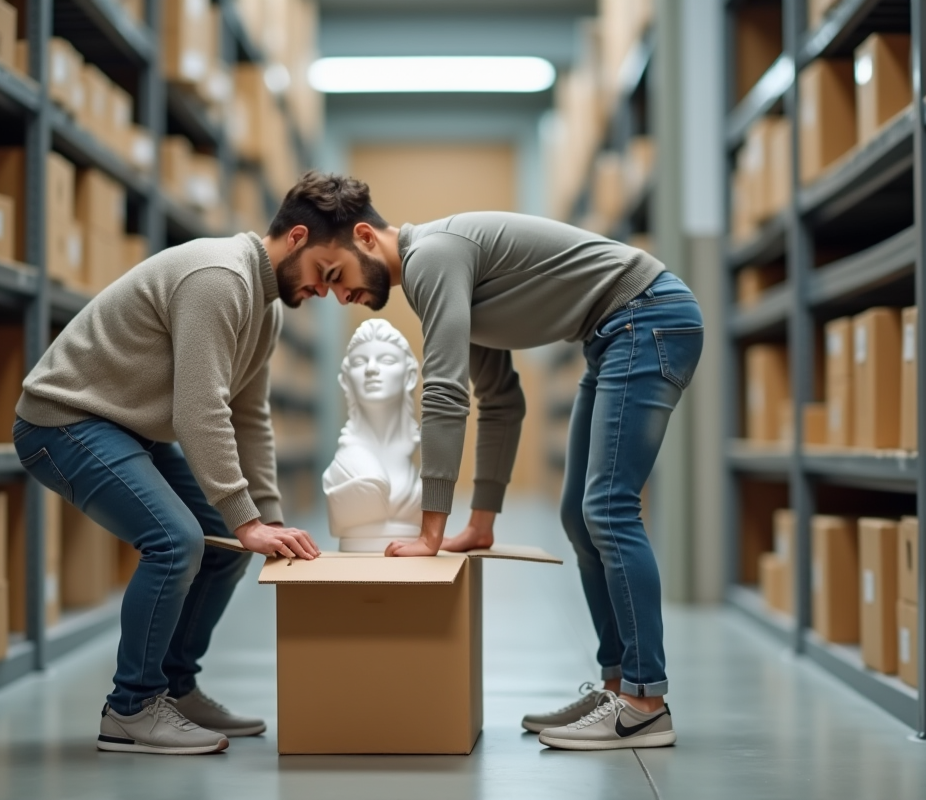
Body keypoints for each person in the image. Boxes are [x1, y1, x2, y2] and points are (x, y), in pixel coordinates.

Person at [264, 171, 705, 751]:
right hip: (614, 334)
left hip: (645, 319)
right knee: (580, 514)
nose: (338, 295)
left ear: (366, 237)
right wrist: (481, 524)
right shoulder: (443, 278)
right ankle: (618, 687)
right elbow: (501, 399)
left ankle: (645, 703)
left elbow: (445, 391)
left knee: (608, 507)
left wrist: (431, 531)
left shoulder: (432, 260)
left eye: (333, 275)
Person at [14, 225, 329, 755]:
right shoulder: (219, 277)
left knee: (226, 546)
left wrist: (264, 518)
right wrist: (243, 516)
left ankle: (176, 689)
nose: (325, 289)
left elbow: (248, 415)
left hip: (126, 426)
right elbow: (199, 409)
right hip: (64, 420)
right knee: (177, 540)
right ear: (297, 237)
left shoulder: (266, 309)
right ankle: (130, 708)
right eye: (328, 272)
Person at [323, 319, 424, 552]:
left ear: (409, 375)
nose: (371, 369)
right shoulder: (346, 464)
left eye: (386, 360)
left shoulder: (423, 457)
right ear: (346, 379)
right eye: (359, 362)